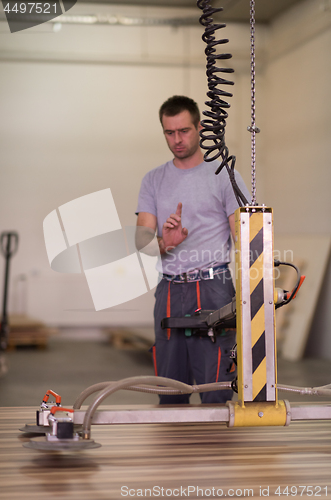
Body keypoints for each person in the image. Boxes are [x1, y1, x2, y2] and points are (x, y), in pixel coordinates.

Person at [136, 95, 250, 405]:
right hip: (170, 290)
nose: (177, 140)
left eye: (184, 131)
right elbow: (143, 244)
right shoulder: (153, 180)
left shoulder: (224, 175)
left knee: (217, 389)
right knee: (169, 390)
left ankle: (219, 452)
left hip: (213, 288)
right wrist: (165, 244)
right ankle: (174, 451)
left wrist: (256, 284)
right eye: (169, 133)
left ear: (199, 127)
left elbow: (243, 235)